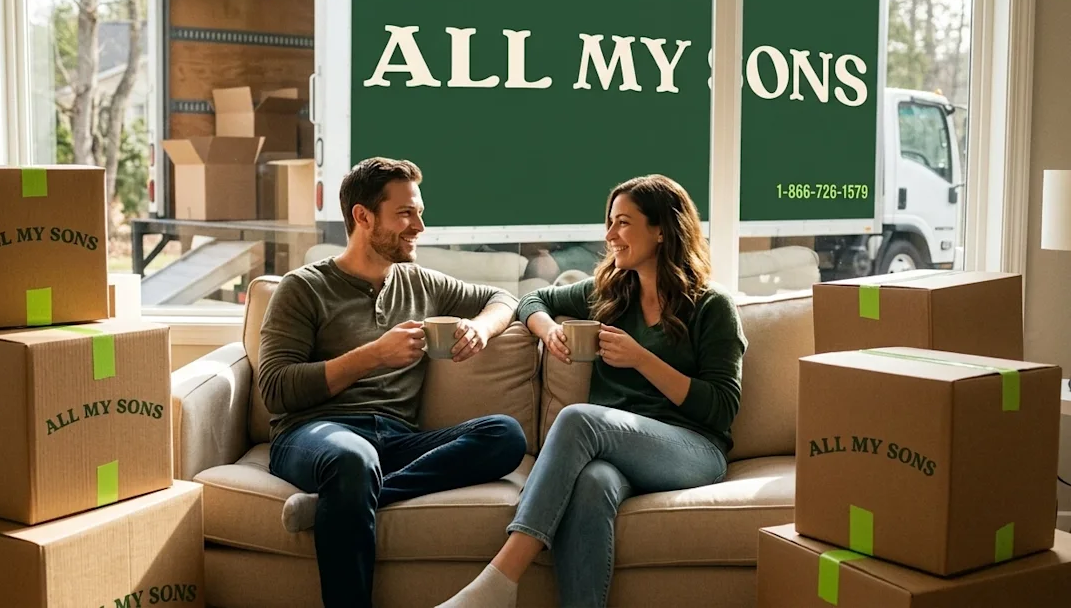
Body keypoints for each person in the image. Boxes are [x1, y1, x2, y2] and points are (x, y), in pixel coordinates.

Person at [437, 174, 747, 608]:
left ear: (661, 230)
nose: (610, 235)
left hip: (692, 449)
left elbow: (720, 409)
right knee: (592, 482)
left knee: (580, 417)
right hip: (613, 453)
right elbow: (532, 300)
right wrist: (547, 331)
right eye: (609, 222)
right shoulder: (611, 294)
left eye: (623, 223)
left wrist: (642, 359)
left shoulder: (712, 307)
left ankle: (499, 580)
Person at [259, 157, 529, 608]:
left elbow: (504, 298)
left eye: (419, 212)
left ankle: (343, 502)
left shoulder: (419, 281)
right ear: (363, 217)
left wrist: (481, 328)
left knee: (505, 435)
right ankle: (349, 494)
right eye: (406, 213)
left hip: (396, 440)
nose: (419, 226)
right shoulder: (302, 288)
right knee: (353, 459)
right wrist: (374, 356)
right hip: (315, 434)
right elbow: (276, 388)